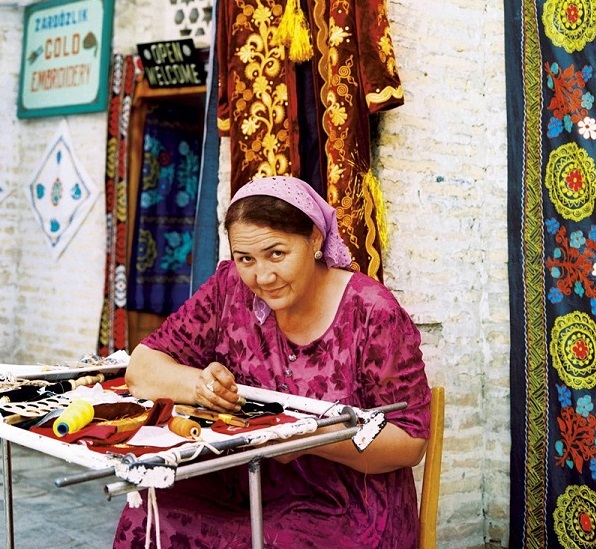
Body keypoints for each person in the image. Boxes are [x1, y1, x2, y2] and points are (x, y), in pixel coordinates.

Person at [113, 175, 431, 549]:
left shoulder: (371, 312)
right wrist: (201, 386)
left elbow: (410, 441)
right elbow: (142, 368)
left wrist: (308, 437)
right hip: (246, 484)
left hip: (346, 505)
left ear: (314, 239)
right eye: (245, 258)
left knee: (273, 541)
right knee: (149, 513)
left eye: (276, 254)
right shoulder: (228, 289)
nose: (262, 276)